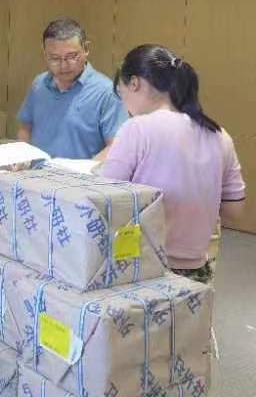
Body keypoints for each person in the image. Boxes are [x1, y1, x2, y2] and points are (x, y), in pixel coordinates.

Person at [101, 45, 245, 283]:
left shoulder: (137, 128)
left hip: (141, 270)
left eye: (120, 91)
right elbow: (234, 211)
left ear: (134, 83)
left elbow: (105, 200)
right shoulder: (220, 135)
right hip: (196, 273)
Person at [17, 18, 128, 159]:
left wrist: (86, 168)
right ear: (45, 54)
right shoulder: (39, 84)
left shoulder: (107, 92)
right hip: (37, 171)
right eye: (54, 58)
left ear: (86, 49)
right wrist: (21, 158)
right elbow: (25, 128)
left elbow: (116, 147)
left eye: (71, 56)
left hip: (83, 172)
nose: (63, 65)